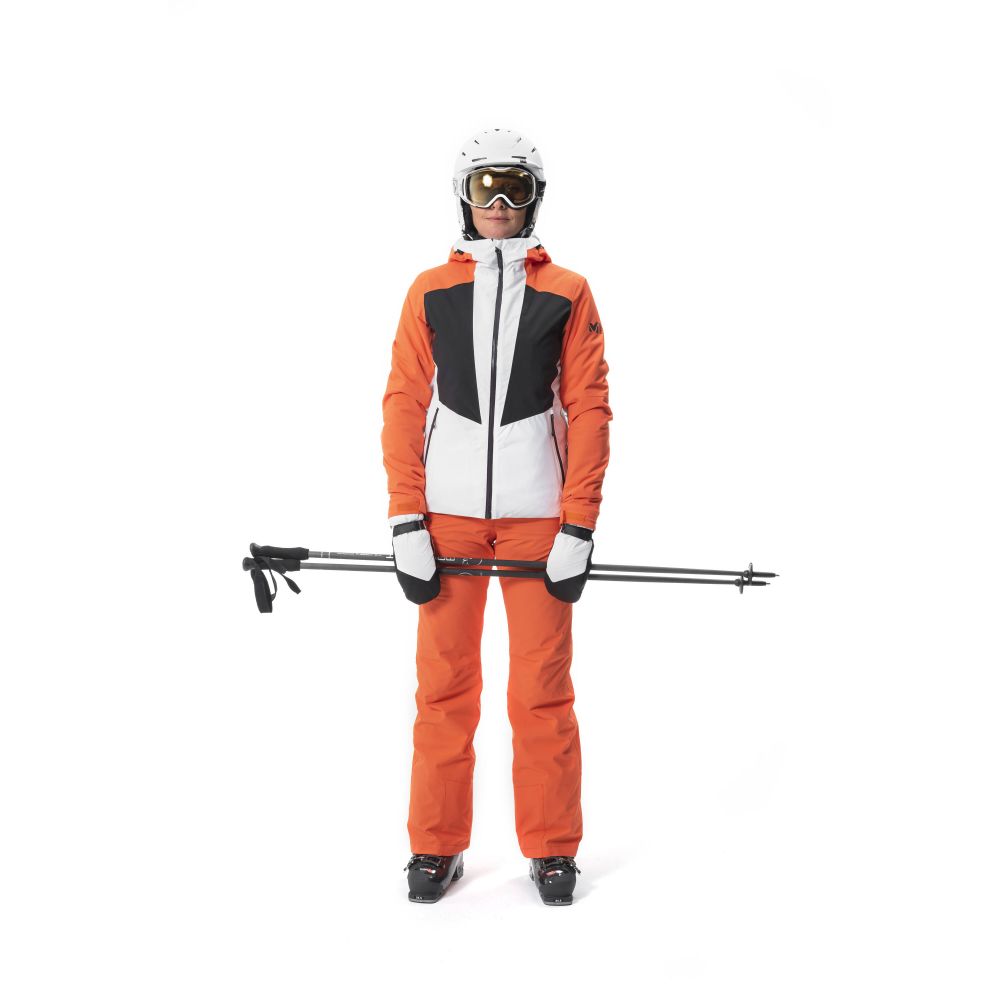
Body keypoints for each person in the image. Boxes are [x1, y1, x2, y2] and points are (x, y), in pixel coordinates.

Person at [380, 128, 612, 905]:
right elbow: (404, 402)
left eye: (516, 186)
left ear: (536, 197)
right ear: (463, 197)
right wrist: (405, 520)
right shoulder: (429, 290)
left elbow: (590, 408)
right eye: (486, 187)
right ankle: (434, 845)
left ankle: (552, 849)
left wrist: (577, 525)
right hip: (444, 519)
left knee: (541, 693)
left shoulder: (569, 291)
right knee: (444, 692)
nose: (501, 203)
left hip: (538, 519)